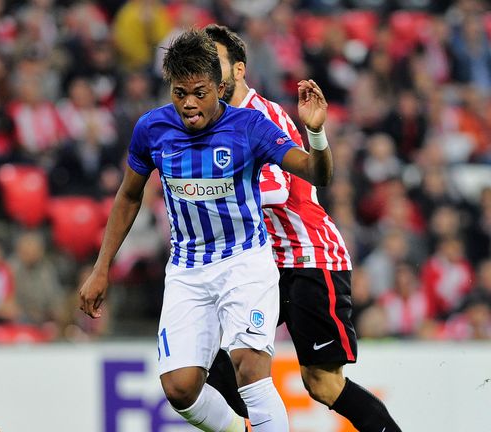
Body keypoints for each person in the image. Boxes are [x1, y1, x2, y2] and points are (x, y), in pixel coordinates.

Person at [79, 29, 333, 432]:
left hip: (245, 263)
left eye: (200, 92)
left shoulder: (250, 127)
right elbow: (128, 197)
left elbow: (318, 173)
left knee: (250, 369)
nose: (190, 104)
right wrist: (101, 267)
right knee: (180, 389)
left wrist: (316, 133)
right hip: (187, 271)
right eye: (180, 93)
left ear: (219, 86)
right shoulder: (152, 129)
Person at [204, 24, 402, 432]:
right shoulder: (215, 125)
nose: (207, 74)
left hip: (308, 254)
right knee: (207, 353)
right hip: (265, 264)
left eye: (216, 65)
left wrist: (208, 198)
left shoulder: (263, 115)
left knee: (322, 383)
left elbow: (276, 189)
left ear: (239, 70)